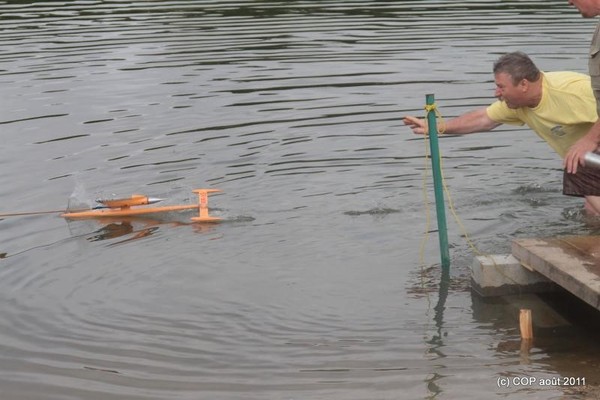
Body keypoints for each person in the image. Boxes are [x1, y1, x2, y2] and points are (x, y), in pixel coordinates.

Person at [403, 51, 600, 215]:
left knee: (578, 163)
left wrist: (589, 140)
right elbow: (484, 119)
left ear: (524, 84)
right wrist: (436, 127)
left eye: (500, 87)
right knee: (590, 211)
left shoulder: (571, 91)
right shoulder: (518, 105)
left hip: (590, 160)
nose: (496, 93)